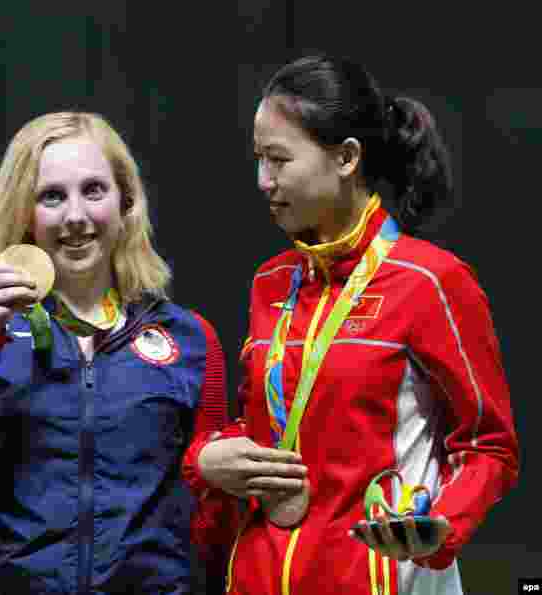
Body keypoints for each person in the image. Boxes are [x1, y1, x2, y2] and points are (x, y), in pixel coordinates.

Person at [183, 54, 519, 594]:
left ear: (345, 158)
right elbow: (262, 425)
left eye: (279, 160)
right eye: (257, 160)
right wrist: (209, 457)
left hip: (383, 579)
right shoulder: (269, 283)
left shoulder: (430, 280)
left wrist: (438, 527)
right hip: (262, 579)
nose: (263, 181)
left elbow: (490, 446)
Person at [0, 111, 229, 594]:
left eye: (93, 190)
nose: (75, 216)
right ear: (23, 213)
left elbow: (215, 520)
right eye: (51, 196)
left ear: (126, 202)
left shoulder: (189, 338)